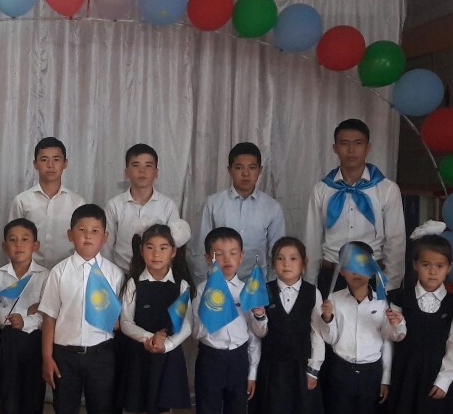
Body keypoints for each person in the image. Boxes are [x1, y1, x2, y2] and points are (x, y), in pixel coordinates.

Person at [39, 204, 125, 414]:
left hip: (101, 355)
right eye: (81, 230)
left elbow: (120, 319)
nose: (88, 236)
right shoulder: (59, 272)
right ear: (70, 234)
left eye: (95, 231)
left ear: (105, 237)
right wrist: (47, 357)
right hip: (65, 356)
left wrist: (117, 322)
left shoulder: (114, 274)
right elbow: (49, 317)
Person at [319, 241, 407, 414]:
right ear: (341, 270)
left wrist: (397, 324)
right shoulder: (334, 300)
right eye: (350, 267)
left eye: (362, 266)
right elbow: (330, 338)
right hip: (341, 371)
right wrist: (327, 318)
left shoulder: (383, 302)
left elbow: (391, 338)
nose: (357, 272)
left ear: (372, 268)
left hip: (371, 374)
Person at [386, 221, 453, 414]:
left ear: (449, 268)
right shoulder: (401, 298)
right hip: (407, 370)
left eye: (440, 266)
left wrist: (445, 380)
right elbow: (394, 337)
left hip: (434, 374)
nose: (432, 272)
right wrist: (397, 324)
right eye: (426, 265)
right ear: (415, 265)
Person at [119, 221, 194, 414]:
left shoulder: (181, 285)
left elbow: (187, 325)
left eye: (163, 248)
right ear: (142, 251)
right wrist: (149, 339)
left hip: (168, 357)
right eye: (150, 247)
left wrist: (166, 345)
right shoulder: (134, 283)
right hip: (140, 356)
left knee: (164, 412)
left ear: (173, 252)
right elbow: (126, 322)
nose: (156, 254)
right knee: (142, 412)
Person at [304, 118, 405, 293]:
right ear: (335, 148)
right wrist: (310, 286)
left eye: (358, 143)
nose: (351, 150)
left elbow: (396, 242)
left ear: (368, 147)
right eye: (344, 143)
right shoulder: (322, 189)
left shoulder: (387, 189)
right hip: (332, 273)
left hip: (371, 273)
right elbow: (311, 239)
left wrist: (390, 286)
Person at [250, 237, 324, 414]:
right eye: (280, 259)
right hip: (273, 367)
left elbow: (317, 333)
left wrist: (313, 369)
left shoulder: (313, 293)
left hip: (301, 367)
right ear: (273, 263)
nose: (286, 264)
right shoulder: (265, 290)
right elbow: (259, 333)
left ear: (304, 262)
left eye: (293, 258)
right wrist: (259, 316)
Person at [193, 227, 261, 414]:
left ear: (241, 257)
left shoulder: (247, 291)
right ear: (207, 258)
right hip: (211, 359)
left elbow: (256, 335)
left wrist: (252, 372)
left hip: (239, 360)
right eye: (218, 254)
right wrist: (210, 312)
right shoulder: (201, 290)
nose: (226, 259)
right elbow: (196, 332)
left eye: (233, 253)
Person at [0, 219, 49, 414]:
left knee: (33, 402)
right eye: (13, 240)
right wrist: (22, 314)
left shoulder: (45, 276)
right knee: (9, 401)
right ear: (4, 246)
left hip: (35, 344)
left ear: (35, 245)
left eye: (25, 239)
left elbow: (47, 313)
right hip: (7, 343)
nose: (19, 245)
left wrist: (26, 320)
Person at [194, 142, 285, 284]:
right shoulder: (213, 204)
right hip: (219, 284)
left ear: (260, 170)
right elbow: (200, 249)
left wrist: (270, 286)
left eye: (252, 168)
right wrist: (203, 284)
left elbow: (277, 253)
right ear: (229, 170)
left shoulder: (272, 207)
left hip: (257, 285)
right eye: (239, 167)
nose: (245, 174)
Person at [9, 137, 86, 269]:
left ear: (65, 163)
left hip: (67, 271)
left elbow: (83, 241)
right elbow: (12, 239)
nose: (50, 165)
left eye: (56, 159)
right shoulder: (22, 201)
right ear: (35, 164)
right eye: (44, 159)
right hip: (30, 272)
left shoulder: (77, 202)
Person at [104, 144, 180, 272]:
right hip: (122, 274)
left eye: (148, 165)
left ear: (156, 172)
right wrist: (110, 275)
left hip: (158, 276)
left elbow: (173, 245)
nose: (142, 170)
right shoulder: (114, 205)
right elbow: (106, 246)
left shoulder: (168, 206)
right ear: (126, 173)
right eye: (136, 165)